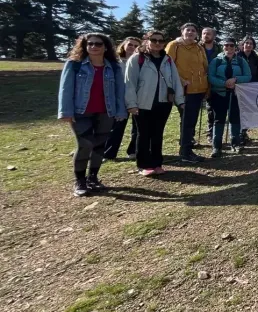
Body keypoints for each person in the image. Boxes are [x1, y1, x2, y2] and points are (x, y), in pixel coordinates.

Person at [58, 33, 126, 196]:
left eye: (98, 44)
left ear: (105, 47)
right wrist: (65, 111)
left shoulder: (113, 66)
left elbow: (119, 90)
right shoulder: (74, 64)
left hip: (106, 111)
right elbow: (65, 89)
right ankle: (80, 181)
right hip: (81, 112)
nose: (94, 47)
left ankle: (93, 178)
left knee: (99, 146)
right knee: (85, 145)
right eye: (90, 44)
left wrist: (120, 110)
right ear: (84, 46)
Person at [124, 31, 185, 176]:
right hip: (143, 103)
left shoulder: (167, 59)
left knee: (158, 134)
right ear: (147, 40)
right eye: (154, 40)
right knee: (144, 134)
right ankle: (144, 165)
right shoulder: (137, 59)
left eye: (160, 40)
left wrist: (180, 101)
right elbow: (129, 83)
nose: (157, 43)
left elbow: (175, 80)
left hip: (163, 103)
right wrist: (131, 103)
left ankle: (157, 163)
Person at [165, 23, 208, 163]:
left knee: (191, 120)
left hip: (199, 89)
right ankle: (185, 151)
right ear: (182, 31)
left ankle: (187, 148)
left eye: (193, 30)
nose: (190, 32)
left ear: (196, 34)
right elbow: (167, 64)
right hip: (183, 90)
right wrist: (180, 80)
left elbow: (205, 66)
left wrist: (207, 86)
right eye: (187, 30)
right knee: (187, 120)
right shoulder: (174, 45)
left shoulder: (199, 47)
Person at [208, 38, 251, 156]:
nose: (229, 48)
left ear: (235, 47)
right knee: (218, 119)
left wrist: (236, 79)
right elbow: (210, 77)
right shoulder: (216, 61)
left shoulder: (241, 61)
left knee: (235, 119)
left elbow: (248, 76)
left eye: (231, 45)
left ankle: (235, 144)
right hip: (219, 94)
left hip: (236, 94)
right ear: (223, 47)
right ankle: (216, 147)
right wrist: (224, 83)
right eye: (226, 45)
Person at [103, 37, 141, 160]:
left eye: (136, 45)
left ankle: (134, 150)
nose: (133, 47)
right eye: (130, 44)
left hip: (138, 98)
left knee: (138, 127)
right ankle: (109, 153)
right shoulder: (115, 62)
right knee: (116, 127)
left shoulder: (141, 61)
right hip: (119, 98)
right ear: (124, 46)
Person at [239, 36, 258, 144]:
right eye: (246, 43)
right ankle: (238, 134)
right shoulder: (237, 56)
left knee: (248, 112)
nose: (248, 45)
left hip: (252, 87)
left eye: (251, 43)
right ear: (242, 44)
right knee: (239, 111)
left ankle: (244, 133)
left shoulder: (256, 58)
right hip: (240, 87)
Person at [200, 27, 221, 142]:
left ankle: (210, 132)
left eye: (208, 34)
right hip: (198, 80)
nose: (205, 35)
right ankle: (190, 136)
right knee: (192, 111)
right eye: (203, 33)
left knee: (211, 109)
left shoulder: (219, 49)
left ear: (214, 36)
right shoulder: (196, 47)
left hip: (214, 81)